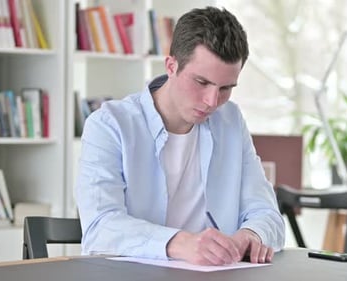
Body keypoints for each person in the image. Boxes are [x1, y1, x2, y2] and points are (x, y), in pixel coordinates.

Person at [75, 6, 285, 266]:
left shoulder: (230, 121)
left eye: (226, 88)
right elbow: (100, 227)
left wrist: (251, 234)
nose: (212, 101)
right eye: (202, 82)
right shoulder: (109, 125)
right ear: (171, 65)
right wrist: (180, 243)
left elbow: (268, 214)